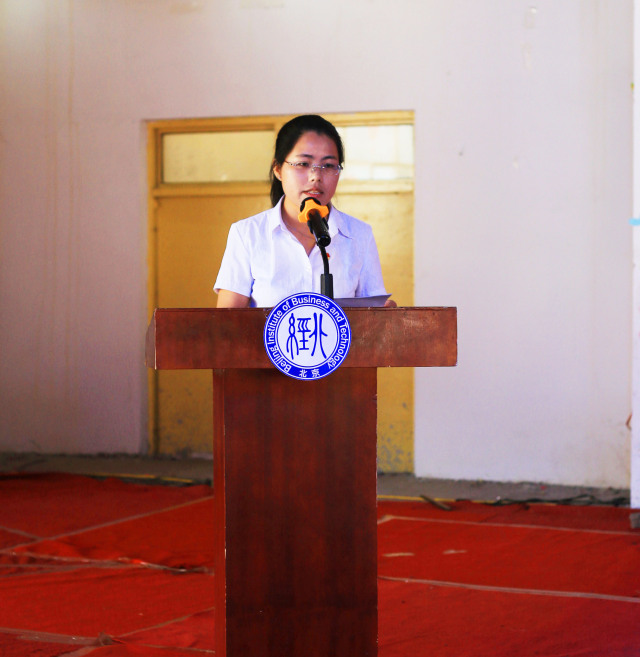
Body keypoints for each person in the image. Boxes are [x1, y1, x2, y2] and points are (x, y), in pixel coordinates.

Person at [214, 114, 396, 308]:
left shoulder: (360, 235)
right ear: (278, 169)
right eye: (303, 164)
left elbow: (374, 315)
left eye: (328, 165)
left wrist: (386, 316)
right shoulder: (247, 234)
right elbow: (227, 321)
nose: (315, 176)